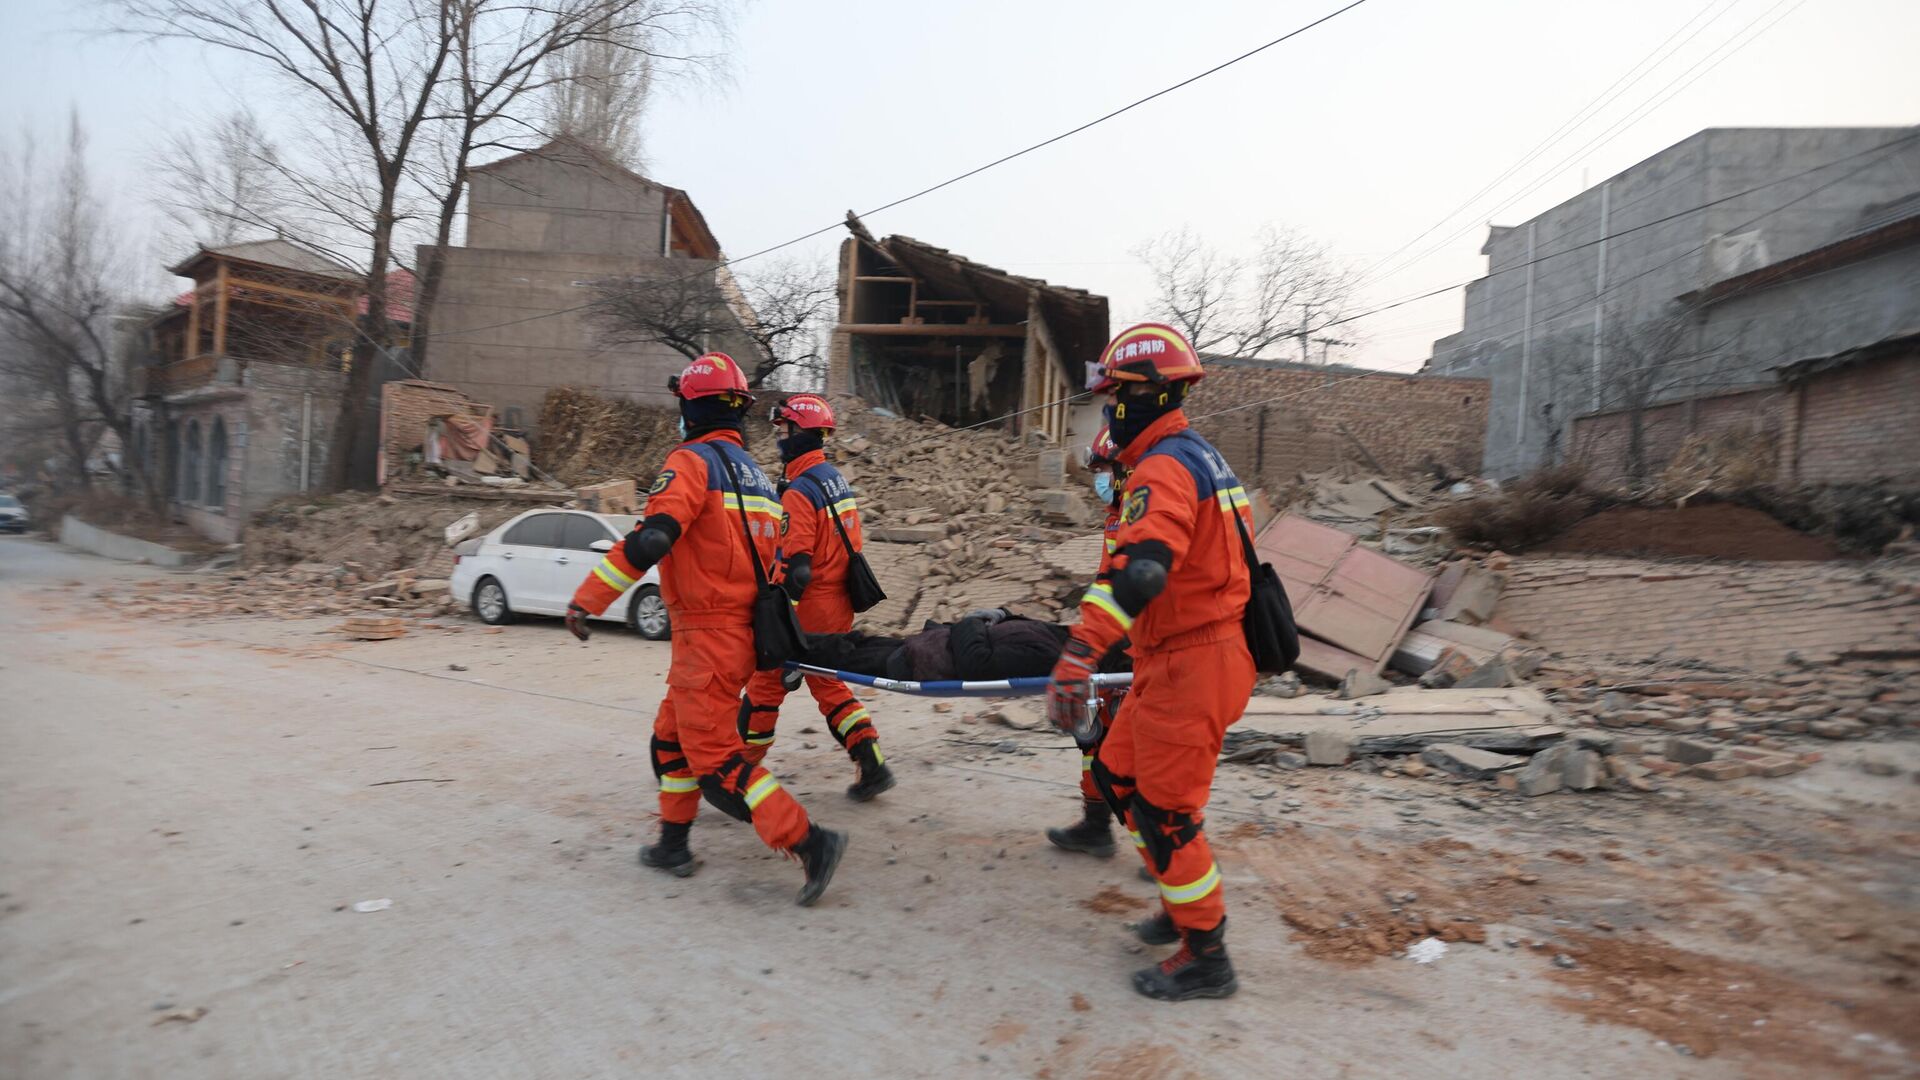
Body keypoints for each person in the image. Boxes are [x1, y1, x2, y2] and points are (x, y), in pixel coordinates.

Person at [564, 354, 846, 907]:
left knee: (717, 762)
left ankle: (809, 841)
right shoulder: (759, 478)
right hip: (744, 634)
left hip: (708, 636)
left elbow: (651, 540)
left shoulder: (691, 463)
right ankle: (672, 844)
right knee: (671, 738)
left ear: (692, 407)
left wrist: (587, 600)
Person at [1046, 323, 1256, 1000]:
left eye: (1115, 398)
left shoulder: (1165, 467)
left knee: (1168, 813)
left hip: (1194, 661)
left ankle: (1207, 955)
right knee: (1116, 771)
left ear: (1149, 395)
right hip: (1179, 657)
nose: (1109, 411)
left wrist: (1078, 654)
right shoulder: (1200, 459)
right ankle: (1177, 895)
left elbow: (1141, 574)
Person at [737, 394, 895, 801]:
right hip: (838, 604)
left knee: (765, 686)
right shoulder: (834, 479)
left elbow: (798, 569)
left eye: (785, 429)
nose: (781, 437)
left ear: (800, 433)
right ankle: (871, 762)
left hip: (808, 609)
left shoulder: (800, 491)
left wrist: (781, 624)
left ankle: (738, 770)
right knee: (830, 685)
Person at [1046, 426, 1129, 860]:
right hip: (1110, 642)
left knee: (1127, 748)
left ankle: (1160, 850)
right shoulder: (1117, 512)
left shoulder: (1141, 512)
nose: (1098, 479)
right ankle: (1095, 824)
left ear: (1123, 468)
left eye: (1102, 470)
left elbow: (1133, 586)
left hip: (1132, 646)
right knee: (1091, 735)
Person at [800, 608, 1129, 682]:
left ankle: (781, 649)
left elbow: (978, 664)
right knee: (848, 642)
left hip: (921, 661)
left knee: (838, 654)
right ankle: (786, 641)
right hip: (928, 645)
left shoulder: (1049, 657)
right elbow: (1023, 625)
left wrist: (970, 622)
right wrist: (1001, 614)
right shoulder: (1062, 637)